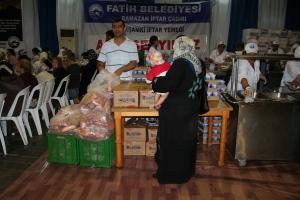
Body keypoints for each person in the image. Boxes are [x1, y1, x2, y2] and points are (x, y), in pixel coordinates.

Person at [151, 36, 203, 184]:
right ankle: (186, 172)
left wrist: (155, 80)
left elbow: (168, 84)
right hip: (190, 109)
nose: (173, 49)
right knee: (187, 142)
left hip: (176, 113)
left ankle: (171, 175)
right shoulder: (198, 63)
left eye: (175, 46)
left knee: (171, 143)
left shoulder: (181, 63)